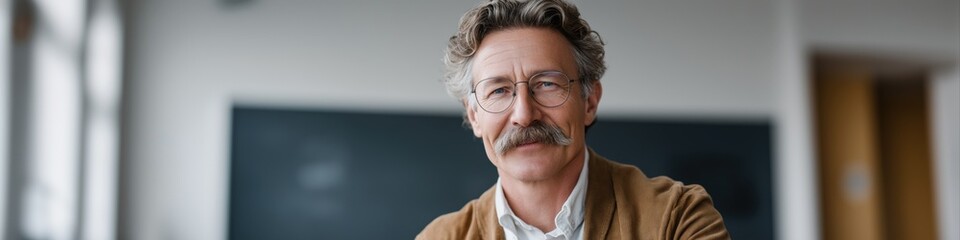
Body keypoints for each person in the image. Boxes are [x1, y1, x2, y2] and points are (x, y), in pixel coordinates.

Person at [418, 0, 730, 239]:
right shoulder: (440, 236)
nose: (524, 115)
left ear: (590, 101)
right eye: (499, 90)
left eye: (547, 84)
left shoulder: (677, 217)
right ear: (474, 116)